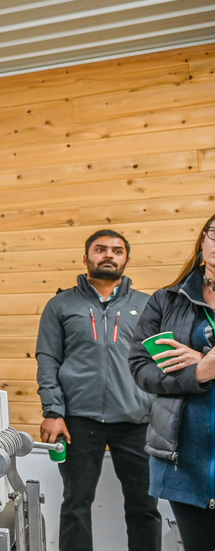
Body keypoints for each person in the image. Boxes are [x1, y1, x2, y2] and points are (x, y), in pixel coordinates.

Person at [36, 229, 161, 551]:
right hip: (78, 421)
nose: (108, 255)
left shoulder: (148, 305)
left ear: (126, 260)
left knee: (144, 507)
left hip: (137, 421)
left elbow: (160, 363)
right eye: (100, 249)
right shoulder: (61, 305)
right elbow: (48, 359)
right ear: (86, 257)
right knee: (76, 503)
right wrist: (53, 412)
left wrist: (158, 411)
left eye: (117, 251)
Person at [129, 214, 215, 551]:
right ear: (202, 241)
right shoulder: (166, 300)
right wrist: (199, 372)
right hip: (185, 458)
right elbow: (141, 367)